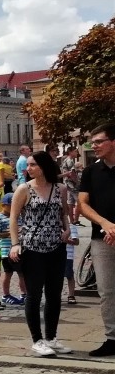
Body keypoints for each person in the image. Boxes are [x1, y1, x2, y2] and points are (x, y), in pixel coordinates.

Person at [9, 150, 71, 356]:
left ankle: (51, 337)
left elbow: (63, 214)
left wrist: (67, 228)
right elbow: (14, 219)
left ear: (44, 166)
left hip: (56, 247)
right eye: (28, 165)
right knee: (34, 295)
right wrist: (15, 244)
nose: (28, 169)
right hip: (33, 248)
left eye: (32, 164)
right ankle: (37, 339)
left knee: (54, 295)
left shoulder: (59, 188)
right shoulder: (24, 189)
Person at [77, 123, 115, 357]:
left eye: (99, 141)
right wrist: (105, 223)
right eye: (93, 142)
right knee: (107, 290)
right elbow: (82, 204)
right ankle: (112, 338)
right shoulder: (91, 171)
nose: (94, 146)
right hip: (101, 239)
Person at [61, 145, 84, 223]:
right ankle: (76, 219)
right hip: (72, 184)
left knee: (71, 202)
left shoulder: (66, 160)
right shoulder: (70, 161)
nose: (76, 153)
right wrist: (77, 182)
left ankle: (71, 220)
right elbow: (72, 173)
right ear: (70, 152)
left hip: (67, 184)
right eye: (75, 151)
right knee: (79, 201)